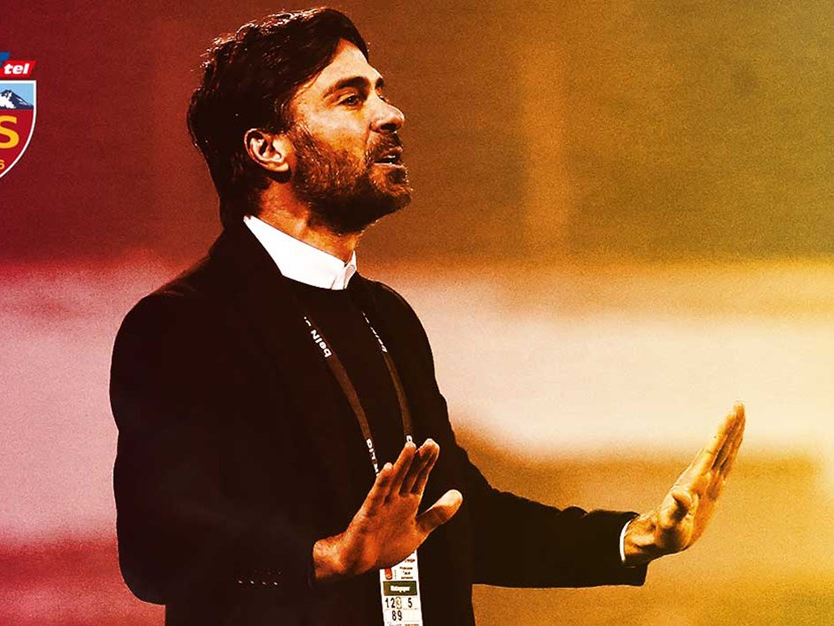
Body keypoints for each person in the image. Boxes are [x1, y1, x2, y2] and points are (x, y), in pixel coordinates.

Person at [109, 8, 745, 625]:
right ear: (268, 148)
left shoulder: (388, 318)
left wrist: (636, 537)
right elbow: (158, 550)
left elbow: (460, 515)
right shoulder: (183, 327)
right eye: (351, 98)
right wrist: (329, 558)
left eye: (380, 92)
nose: (391, 114)